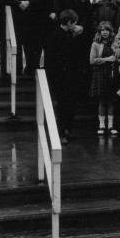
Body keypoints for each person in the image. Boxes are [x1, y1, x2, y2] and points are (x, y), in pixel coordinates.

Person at [45, 9, 80, 144]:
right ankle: (61, 133)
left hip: (70, 77)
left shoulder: (70, 35)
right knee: (62, 107)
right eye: (74, 23)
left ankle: (67, 130)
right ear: (69, 22)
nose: (76, 26)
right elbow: (51, 61)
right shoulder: (55, 36)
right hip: (61, 78)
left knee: (70, 105)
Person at [89, 21, 118, 135]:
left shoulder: (114, 44)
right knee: (102, 101)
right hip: (100, 74)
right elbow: (92, 61)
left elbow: (118, 58)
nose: (105, 32)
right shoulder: (95, 44)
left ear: (110, 32)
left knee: (111, 101)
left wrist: (116, 57)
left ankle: (110, 126)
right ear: (99, 32)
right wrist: (107, 59)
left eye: (107, 30)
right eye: (103, 30)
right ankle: (101, 125)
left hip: (111, 74)